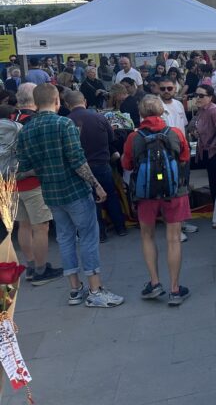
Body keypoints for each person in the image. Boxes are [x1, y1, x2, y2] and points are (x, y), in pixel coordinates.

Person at [16, 83, 124, 308]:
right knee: (88, 238)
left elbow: (24, 166)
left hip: (51, 192)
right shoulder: (64, 123)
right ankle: (95, 290)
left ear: (35, 103)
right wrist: (97, 185)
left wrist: (47, 165)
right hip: (74, 190)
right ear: (57, 101)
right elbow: (77, 161)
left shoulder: (26, 129)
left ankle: (75, 289)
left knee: (65, 239)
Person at [121, 96, 191, 306]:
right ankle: (175, 289)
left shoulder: (134, 137)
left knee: (148, 236)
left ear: (141, 114)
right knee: (174, 239)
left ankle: (154, 282)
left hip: (146, 194)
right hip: (174, 192)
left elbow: (127, 164)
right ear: (162, 112)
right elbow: (185, 157)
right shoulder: (175, 133)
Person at [6, 86, 62, 286]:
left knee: (24, 225)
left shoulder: (10, 119)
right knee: (41, 227)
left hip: (11, 183)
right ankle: (40, 270)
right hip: (32, 182)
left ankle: (30, 265)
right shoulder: (33, 121)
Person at [65, 90, 128, 242]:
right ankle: (120, 227)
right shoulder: (99, 117)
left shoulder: (66, 121)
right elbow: (111, 138)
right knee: (111, 195)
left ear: (67, 105)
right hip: (102, 163)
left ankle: (100, 234)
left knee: (91, 200)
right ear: (85, 101)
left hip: (80, 167)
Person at [189, 84, 216, 203]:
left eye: (201, 95)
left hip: (215, 153)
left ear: (210, 97)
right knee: (213, 183)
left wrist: (214, 143)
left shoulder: (213, 110)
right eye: (196, 95)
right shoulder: (201, 110)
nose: (198, 98)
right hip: (205, 151)